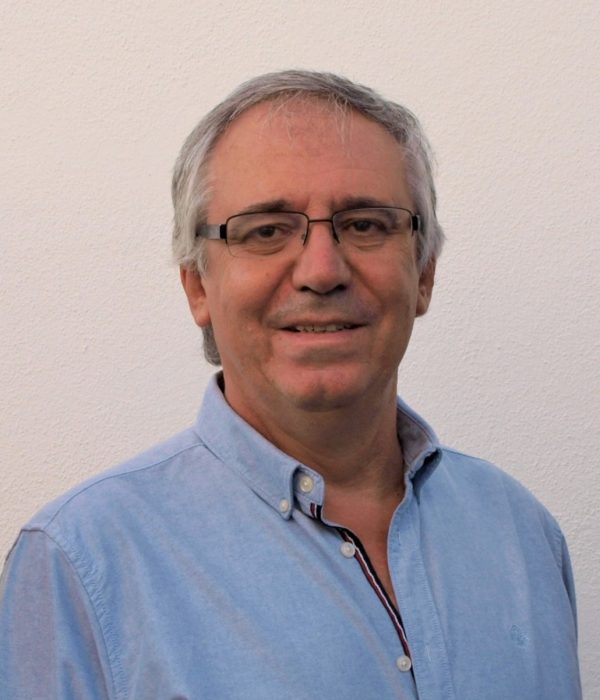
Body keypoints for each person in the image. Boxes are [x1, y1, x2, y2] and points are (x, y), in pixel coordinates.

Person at [0, 70, 581, 699]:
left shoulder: (522, 536)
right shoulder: (81, 565)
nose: (322, 271)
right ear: (197, 287)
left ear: (424, 274)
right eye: (266, 230)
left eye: (365, 224)